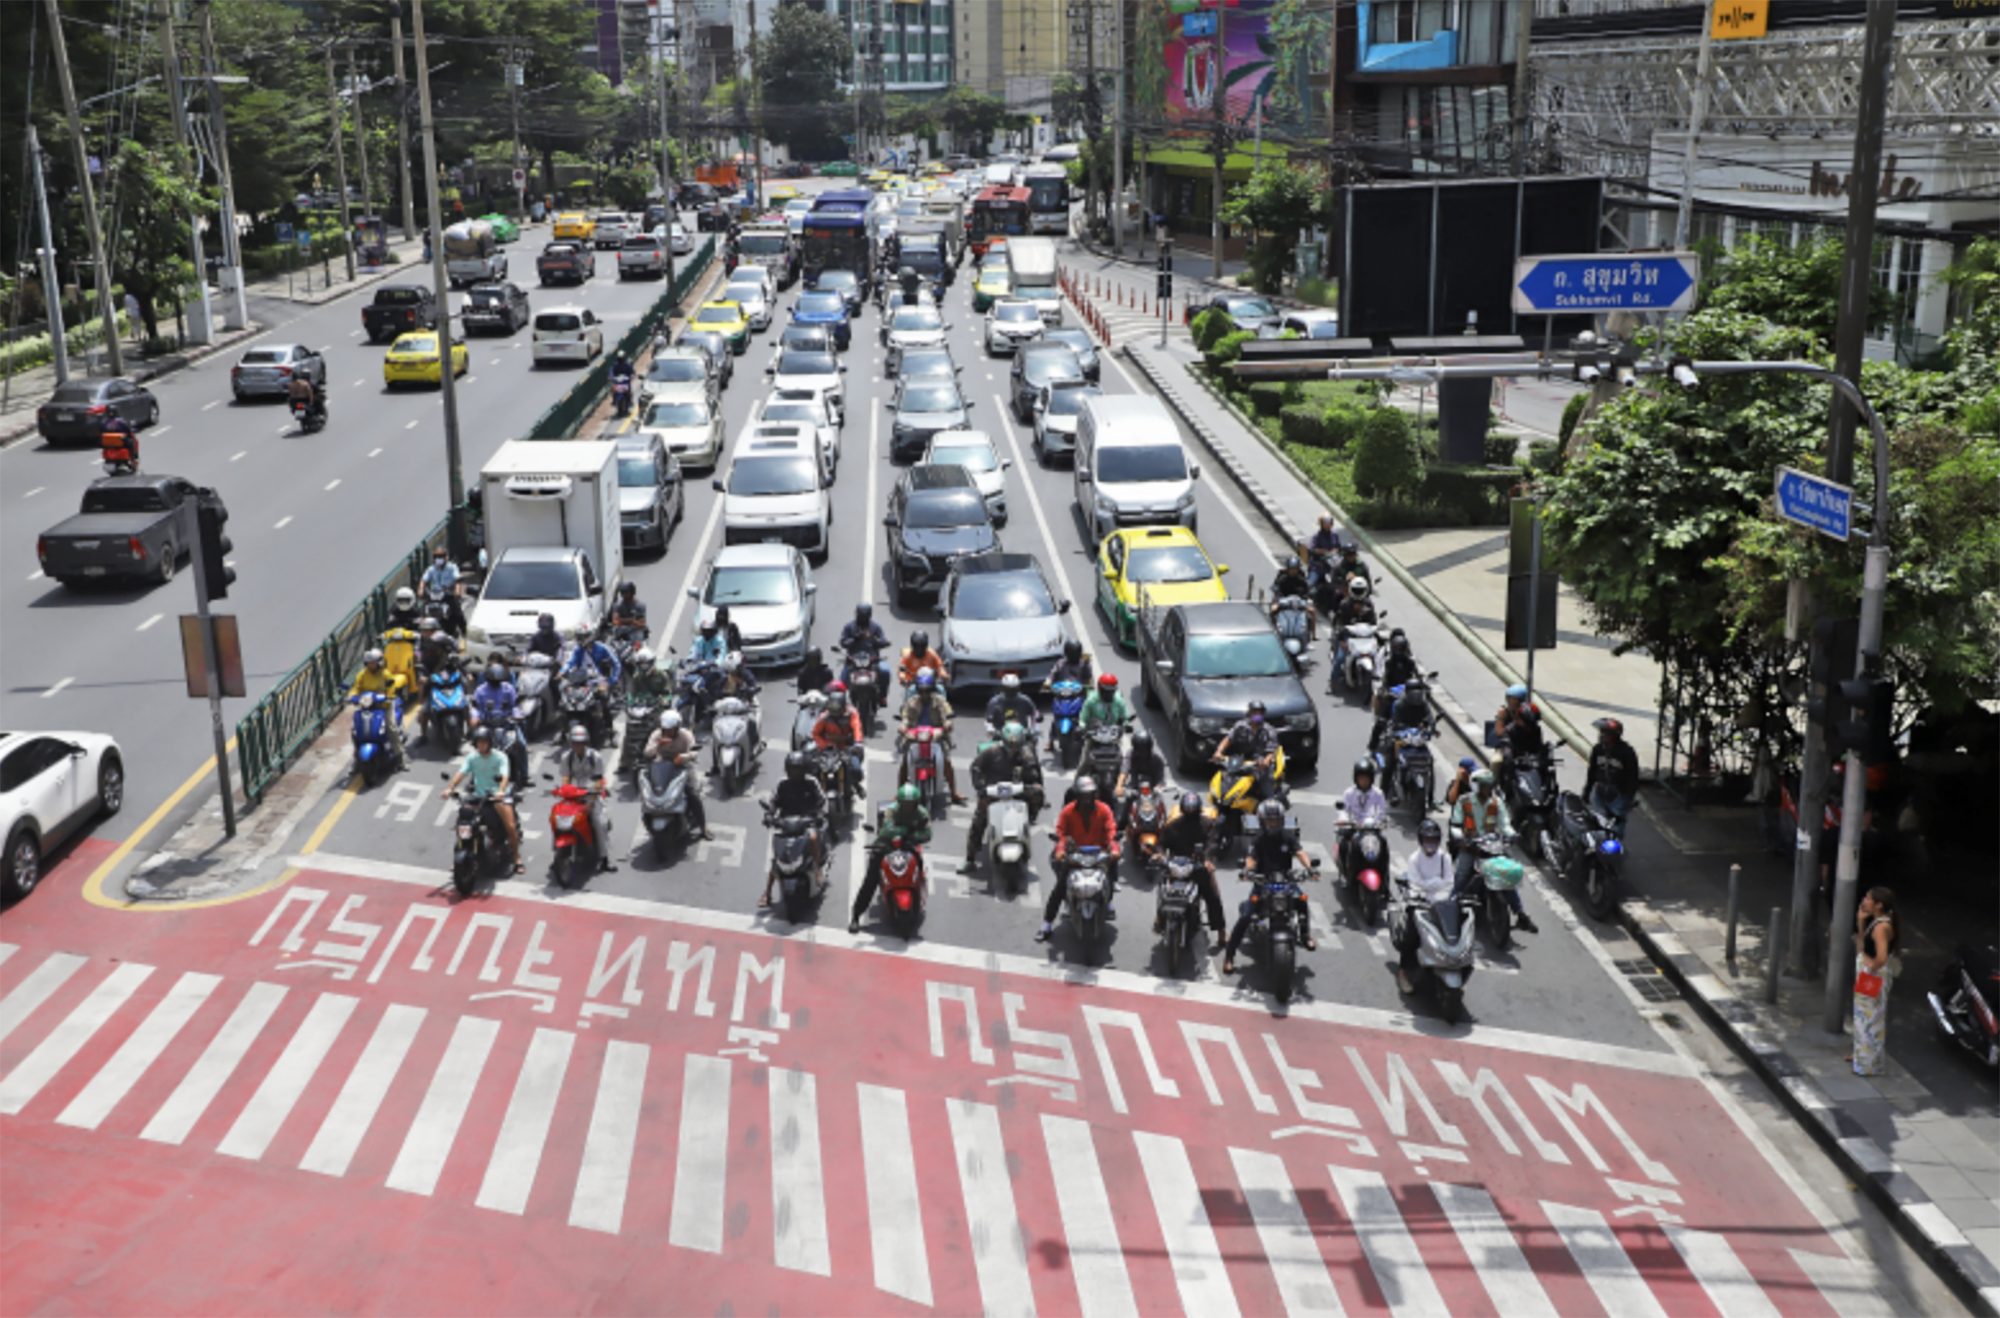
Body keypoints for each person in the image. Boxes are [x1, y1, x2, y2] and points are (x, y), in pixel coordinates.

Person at [1224, 798, 1316, 974]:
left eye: (1275, 820)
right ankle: (1229, 955)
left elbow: (1300, 852)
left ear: (1281, 820)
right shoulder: (1258, 840)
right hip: (1263, 881)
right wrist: (1247, 870)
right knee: (1245, 915)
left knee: (1302, 901)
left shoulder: (1287, 837)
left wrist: (1310, 868)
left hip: (1286, 881)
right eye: (1269, 821)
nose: (1272, 824)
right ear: (1262, 821)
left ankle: (1305, 935)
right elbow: (1251, 858)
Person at [1038, 776, 1120, 941]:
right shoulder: (1068, 811)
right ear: (1078, 795)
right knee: (1060, 888)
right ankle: (1046, 925)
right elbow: (1060, 832)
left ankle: (1108, 901)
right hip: (1074, 855)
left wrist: (1114, 849)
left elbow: (1111, 831)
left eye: (1090, 795)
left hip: (1098, 855)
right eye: (1083, 795)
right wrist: (1061, 850)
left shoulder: (1104, 810)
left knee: (1111, 874)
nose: (1087, 799)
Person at [1452, 769, 1535, 933]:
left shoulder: (1497, 802)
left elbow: (1504, 824)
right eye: (1485, 787)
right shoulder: (1463, 802)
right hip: (1471, 848)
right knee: (1462, 874)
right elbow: (1455, 825)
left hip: (1493, 847)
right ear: (1477, 787)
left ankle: (1520, 913)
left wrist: (1512, 835)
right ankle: (1452, 907)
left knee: (1508, 877)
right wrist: (1462, 837)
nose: (1489, 790)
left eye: (1490, 787)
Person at [850, 784, 932, 932]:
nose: (907, 807)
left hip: (909, 845)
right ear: (899, 803)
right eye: (905, 804)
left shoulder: (922, 813)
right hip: (885, 845)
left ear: (916, 803)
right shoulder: (891, 811)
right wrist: (907, 831)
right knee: (871, 879)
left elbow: (927, 834)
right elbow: (887, 831)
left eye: (911, 803)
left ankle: (918, 892)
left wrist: (909, 836)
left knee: (919, 867)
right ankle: (856, 915)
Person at [965, 723, 1044, 866]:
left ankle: (1031, 816)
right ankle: (970, 858)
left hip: (1017, 790)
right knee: (978, 821)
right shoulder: (991, 752)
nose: (1014, 747)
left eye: (1017, 744)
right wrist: (980, 788)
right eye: (1011, 743)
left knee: (1038, 793)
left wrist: (1034, 781)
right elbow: (975, 768)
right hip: (994, 791)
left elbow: (1035, 772)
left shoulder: (1026, 752)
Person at [448, 727, 523, 873]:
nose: (481, 745)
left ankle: (516, 858)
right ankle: (461, 852)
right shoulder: (472, 757)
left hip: (496, 796)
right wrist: (450, 787)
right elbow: (461, 773)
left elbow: (505, 775)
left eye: (484, 742)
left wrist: (501, 791)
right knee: (463, 822)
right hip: (478, 795)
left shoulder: (500, 757)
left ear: (490, 743)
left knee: (510, 826)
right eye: (478, 742)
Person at [760, 752, 829, 905]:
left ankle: (817, 868)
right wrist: (769, 815)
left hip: (807, 822)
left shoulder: (812, 782)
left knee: (813, 838)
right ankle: (767, 892)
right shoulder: (782, 783)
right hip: (786, 823)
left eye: (797, 770)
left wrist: (819, 814)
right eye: (792, 769)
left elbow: (822, 801)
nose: (795, 773)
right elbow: (773, 801)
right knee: (777, 857)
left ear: (804, 769)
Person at [1159, 791, 1227, 944]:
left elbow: (1212, 843)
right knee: (1163, 887)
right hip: (1177, 866)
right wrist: (1160, 856)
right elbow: (1161, 843)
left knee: (1213, 896)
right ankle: (1159, 918)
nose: (1190, 812)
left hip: (1199, 866)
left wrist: (1208, 860)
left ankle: (1221, 933)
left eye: (1193, 809)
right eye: (1187, 809)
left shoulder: (1207, 824)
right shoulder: (1173, 825)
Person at [1396, 818, 1453, 993]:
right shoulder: (1414, 859)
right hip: (1419, 902)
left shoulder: (1445, 858)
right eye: (1427, 840)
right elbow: (1415, 884)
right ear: (1421, 840)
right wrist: (1435, 883)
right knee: (1410, 937)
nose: (1430, 844)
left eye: (1433, 840)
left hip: (1441, 904)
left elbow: (1449, 883)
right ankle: (1404, 972)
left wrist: (1430, 885)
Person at [1851, 886, 1899, 1076]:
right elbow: (1863, 942)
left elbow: (1881, 956)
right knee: (1865, 1016)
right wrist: (1861, 921)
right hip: (1870, 974)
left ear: (1879, 905)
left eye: (1868, 898)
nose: (1864, 900)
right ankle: (1861, 1056)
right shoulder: (1877, 922)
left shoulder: (1881, 927)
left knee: (1869, 1018)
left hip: (1873, 976)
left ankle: (1866, 1064)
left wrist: (1870, 967)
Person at [644, 709, 712, 841]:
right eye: (666, 730)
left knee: (693, 795)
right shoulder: (657, 735)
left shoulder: (685, 735)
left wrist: (682, 757)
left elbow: (694, 752)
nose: (668, 733)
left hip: (683, 768)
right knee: (649, 794)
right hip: (662, 768)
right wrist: (658, 746)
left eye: (671, 730)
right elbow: (647, 752)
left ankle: (703, 828)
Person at [897, 669, 964, 802]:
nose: (924, 693)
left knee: (946, 761)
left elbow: (947, 714)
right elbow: (905, 717)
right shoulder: (912, 701)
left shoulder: (940, 701)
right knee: (905, 761)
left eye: (927, 690)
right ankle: (899, 792)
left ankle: (954, 792)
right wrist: (903, 726)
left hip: (936, 735)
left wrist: (947, 724)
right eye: (922, 690)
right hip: (915, 736)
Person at [557, 724, 616, 872]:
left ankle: (605, 858)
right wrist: (565, 795)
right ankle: (558, 855)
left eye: (580, 742)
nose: (578, 745)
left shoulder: (595, 757)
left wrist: (591, 802)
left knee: (599, 822)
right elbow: (565, 778)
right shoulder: (567, 757)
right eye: (575, 742)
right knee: (559, 819)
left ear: (586, 742)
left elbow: (598, 782)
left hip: (592, 793)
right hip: (575, 793)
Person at [1212, 700, 1280, 803]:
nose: (1257, 715)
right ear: (1249, 713)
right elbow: (1228, 739)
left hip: (1258, 766)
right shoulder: (1241, 726)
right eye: (1255, 712)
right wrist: (1219, 751)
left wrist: (1265, 762)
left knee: (1267, 794)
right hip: (1239, 762)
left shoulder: (1269, 730)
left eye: (1260, 712)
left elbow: (1271, 752)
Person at [1335, 757, 1389, 885]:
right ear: (1356, 778)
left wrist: (1378, 821)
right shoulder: (1349, 793)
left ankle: (1385, 881)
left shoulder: (1378, 793)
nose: (1363, 781)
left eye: (1366, 778)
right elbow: (1343, 809)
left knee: (1384, 846)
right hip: (1353, 827)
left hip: (1372, 829)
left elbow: (1382, 810)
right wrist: (1343, 820)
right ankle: (1345, 873)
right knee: (1343, 844)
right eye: (1360, 778)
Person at [1584, 717, 1639, 836]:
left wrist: (1628, 797)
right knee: (1597, 822)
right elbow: (1592, 771)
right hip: (1600, 791)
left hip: (1618, 794)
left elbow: (1632, 776)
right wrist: (1587, 791)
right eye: (1601, 732)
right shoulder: (1598, 749)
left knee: (1616, 825)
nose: (1601, 736)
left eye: (1605, 733)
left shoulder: (1626, 752)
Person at [349, 648, 407, 759]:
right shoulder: (362, 674)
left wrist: (387, 697)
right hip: (367, 706)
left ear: (379, 662)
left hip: (384, 706)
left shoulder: (385, 674)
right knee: (356, 729)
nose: (371, 665)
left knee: (391, 727)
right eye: (369, 663)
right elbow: (356, 688)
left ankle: (400, 755)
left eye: (373, 663)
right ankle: (356, 755)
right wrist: (353, 696)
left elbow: (391, 688)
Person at [812, 684, 866, 791]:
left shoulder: (852, 713)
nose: (834, 712)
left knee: (856, 771)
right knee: (813, 770)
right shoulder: (824, 717)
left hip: (847, 747)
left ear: (843, 707)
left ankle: (855, 784)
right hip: (829, 749)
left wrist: (858, 742)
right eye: (831, 709)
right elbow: (815, 733)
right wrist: (824, 745)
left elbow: (857, 728)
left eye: (837, 709)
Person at [839, 604, 891, 690]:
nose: (863, 619)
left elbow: (883, 640)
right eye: (861, 616)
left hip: (872, 659)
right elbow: (843, 642)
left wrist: (872, 639)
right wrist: (855, 639)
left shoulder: (875, 626)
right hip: (853, 659)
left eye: (865, 617)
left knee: (885, 671)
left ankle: (882, 696)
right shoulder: (849, 626)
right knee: (842, 680)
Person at [420, 547, 464, 635]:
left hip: (448, 594)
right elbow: (424, 579)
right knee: (421, 611)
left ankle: (464, 633)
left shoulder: (452, 567)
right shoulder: (431, 569)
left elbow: (457, 579)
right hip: (434, 595)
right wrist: (421, 589)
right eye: (436, 557)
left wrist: (458, 590)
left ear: (446, 557)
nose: (438, 559)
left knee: (457, 613)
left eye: (440, 556)